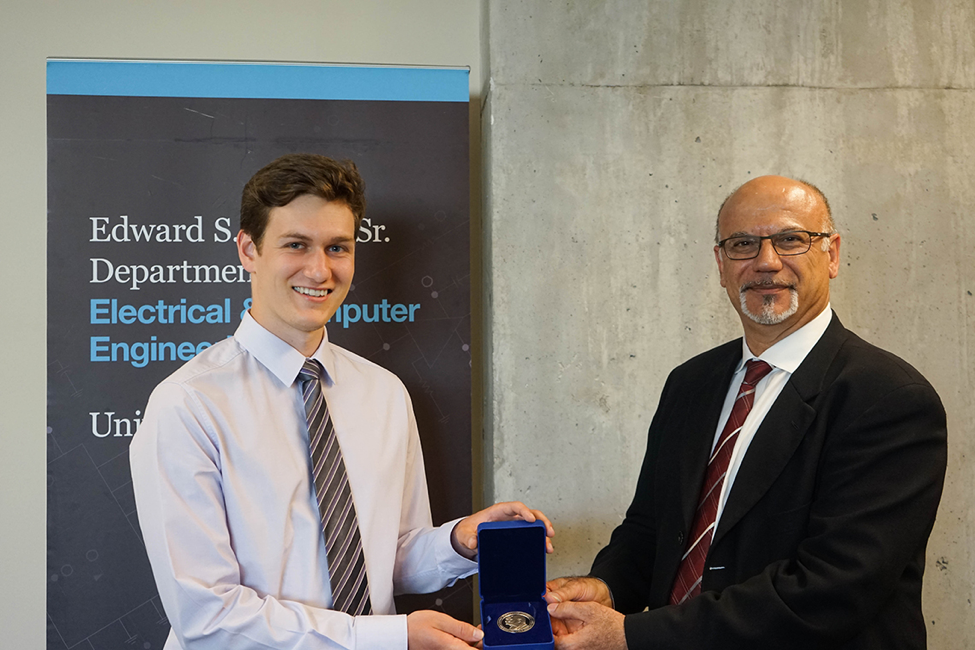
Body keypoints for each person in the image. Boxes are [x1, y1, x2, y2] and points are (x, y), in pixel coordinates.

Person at [130, 153, 554, 650]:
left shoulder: (384, 393)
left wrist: (461, 540)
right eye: (296, 245)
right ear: (248, 249)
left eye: (338, 247)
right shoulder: (188, 405)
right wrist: (386, 637)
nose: (320, 269)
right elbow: (207, 616)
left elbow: (386, 558)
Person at [544, 175, 947, 650]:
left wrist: (633, 635)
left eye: (791, 239)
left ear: (832, 254)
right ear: (720, 263)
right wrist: (606, 587)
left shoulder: (889, 398)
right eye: (743, 244)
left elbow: (832, 589)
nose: (766, 262)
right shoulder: (691, 383)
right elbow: (653, 528)